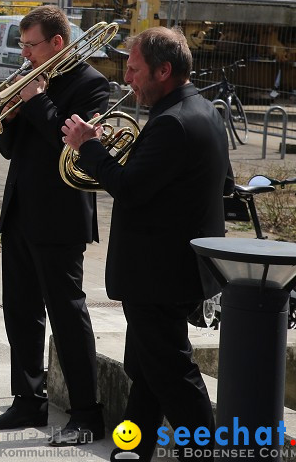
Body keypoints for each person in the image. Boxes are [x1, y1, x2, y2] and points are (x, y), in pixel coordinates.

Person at [61, 26, 232, 461]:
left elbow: (129, 188)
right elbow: (223, 186)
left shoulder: (173, 123)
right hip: (174, 270)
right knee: (146, 371)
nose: (128, 79)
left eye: (135, 71)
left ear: (164, 70)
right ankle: (131, 452)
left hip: (158, 276)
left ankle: (204, 455)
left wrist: (90, 146)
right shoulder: (205, 110)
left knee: (173, 374)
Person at [0, 6, 110, 443]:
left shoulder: (91, 84)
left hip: (60, 218)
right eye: (23, 45)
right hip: (19, 210)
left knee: (68, 316)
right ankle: (27, 401)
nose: (25, 53)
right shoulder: (32, 80)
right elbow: (10, 149)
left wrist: (36, 101)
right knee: (20, 312)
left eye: (30, 45)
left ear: (57, 43)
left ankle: (87, 413)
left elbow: (71, 145)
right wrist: (8, 117)